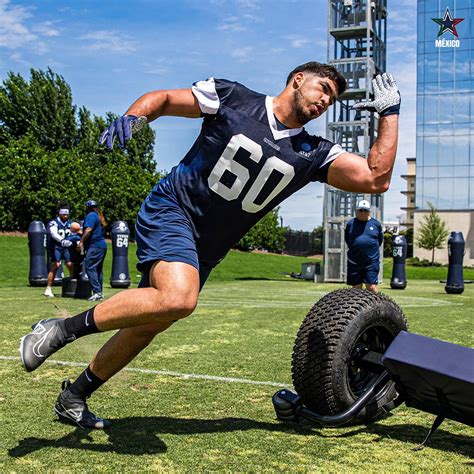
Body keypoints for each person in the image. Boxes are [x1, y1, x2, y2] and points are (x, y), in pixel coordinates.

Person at [19, 62, 400, 429]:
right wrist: (136, 116)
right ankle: (59, 329)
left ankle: (75, 396)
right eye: (323, 89)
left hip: (207, 246)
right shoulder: (235, 98)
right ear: (298, 79)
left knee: (150, 322)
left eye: (331, 100)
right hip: (174, 210)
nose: (325, 102)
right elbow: (166, 99)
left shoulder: (313, 151)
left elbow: (375, 178)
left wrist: (390, 113)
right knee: (179, 299)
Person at [345, 199, 384, 293]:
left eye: (365, 210)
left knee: (371, 287)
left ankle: (377, 306)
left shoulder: (376, 224)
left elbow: (380, 240)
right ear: (356, 211)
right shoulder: (350, 224)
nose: (363, 213)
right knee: (356, 288)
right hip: (354, 261)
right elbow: (347, 239)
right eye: (360, 210)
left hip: (371, 261)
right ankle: (357, 307)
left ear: (369, 212)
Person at [78, 200, 108, 301]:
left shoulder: (91, 215)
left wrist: (81, 241)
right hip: (102, 245)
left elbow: (89, 230)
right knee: (98, 269)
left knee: (90, 267)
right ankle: (99, 292)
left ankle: (96, 291)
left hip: (95, 246)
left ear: (88, 208)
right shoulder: (98, 216)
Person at [44, 205, 74, 298]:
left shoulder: (70, 223)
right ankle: (48, 289)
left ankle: (72, 286)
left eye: (67, 214)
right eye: (64, 214)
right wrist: (62, 240)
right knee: (55, 265)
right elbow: (53, 233)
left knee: (70, 264)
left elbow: (74, 232)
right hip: (56, 247)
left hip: (66, 248)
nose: (65, 216)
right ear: (60, 214)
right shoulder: (54, 222)